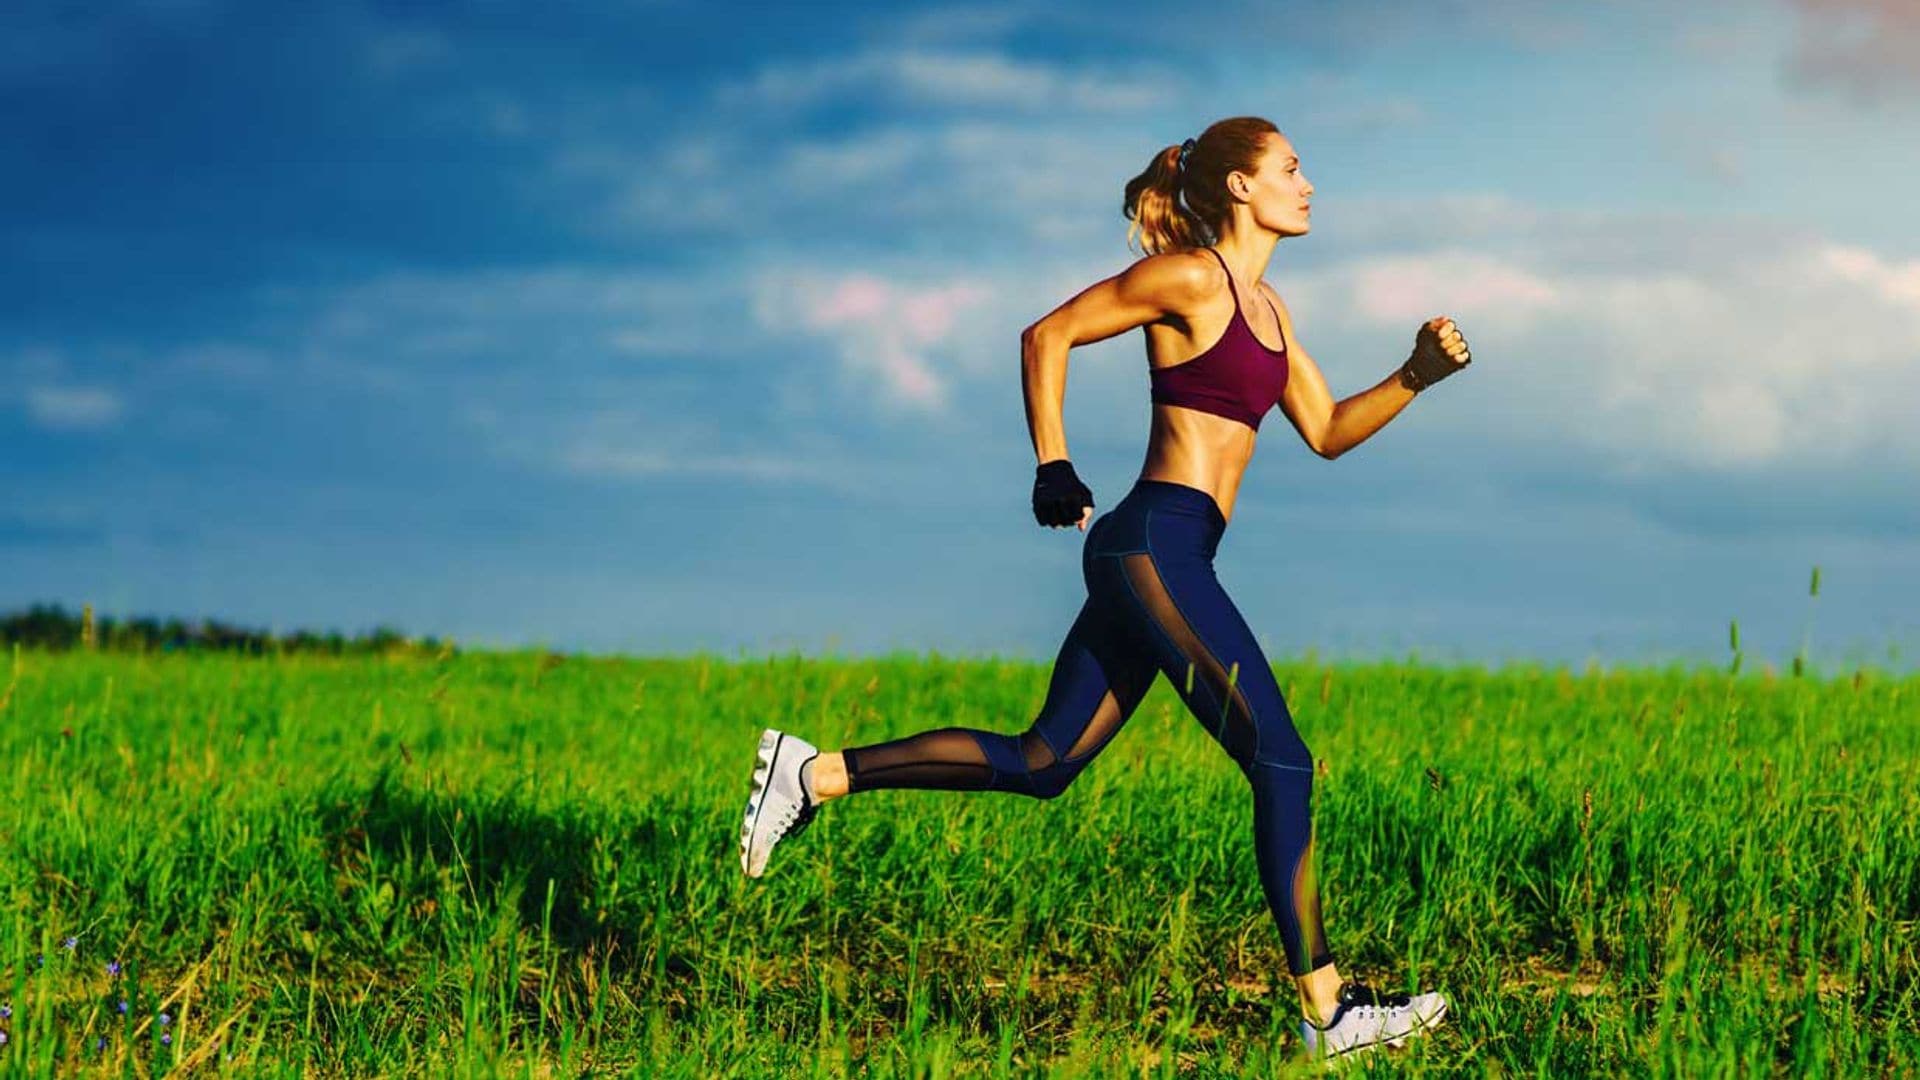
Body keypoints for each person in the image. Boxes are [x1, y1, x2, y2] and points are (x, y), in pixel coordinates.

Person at [739, 115, 1471, 1061]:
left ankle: (814, 772)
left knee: (1045, 763)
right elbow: (1048, 334)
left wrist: (1415, 374)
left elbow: (1326, 428)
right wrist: (1054, 464)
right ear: (1242, 188)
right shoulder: (1192, 279)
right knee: (1281, 759)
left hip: (1175, 555)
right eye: (1291, 168)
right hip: (1152, 546)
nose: (1309, 184)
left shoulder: (1273, 313)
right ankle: (1328, 1011)